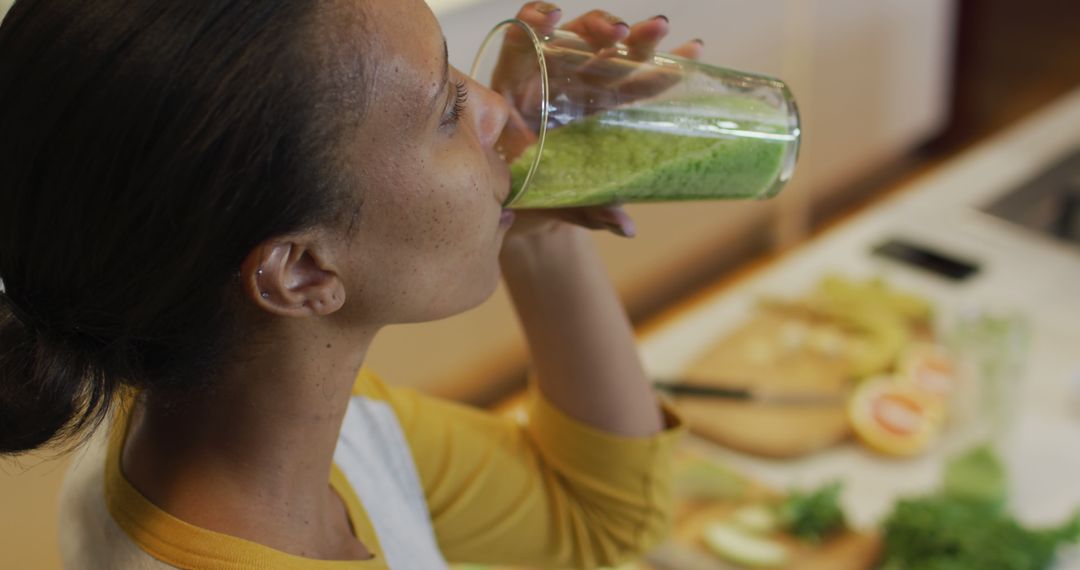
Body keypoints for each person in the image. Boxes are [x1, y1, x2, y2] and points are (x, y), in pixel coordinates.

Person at [0, 1, 702, 567]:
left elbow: (597, 520)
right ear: (301, 271)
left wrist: (533, 217)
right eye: (448, 108)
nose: (495, 108)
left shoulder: (212, 421)